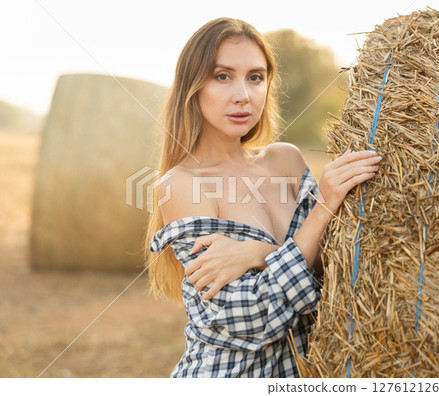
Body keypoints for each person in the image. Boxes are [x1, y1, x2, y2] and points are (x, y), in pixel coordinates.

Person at [144, 17, 381, 377]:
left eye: (255, 77)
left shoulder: (285, 159)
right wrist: (323, 207)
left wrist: (259, 253)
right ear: (193, 87)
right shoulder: (183, 184)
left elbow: (339, 268)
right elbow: (249, 317)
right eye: (223, 76)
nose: (243, 94)